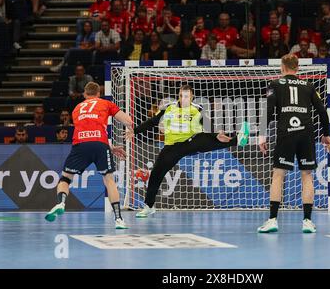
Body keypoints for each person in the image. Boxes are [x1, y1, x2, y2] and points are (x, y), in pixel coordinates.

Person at [125, 84, 250, 218]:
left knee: (205, 136)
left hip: (191, 142)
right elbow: (153, 122)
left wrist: (216, 135)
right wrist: (135, 131)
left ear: (192, 97)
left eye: (186, 96)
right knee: (156, 173)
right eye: (181, 96)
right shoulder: (169, 108)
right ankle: (149, 206)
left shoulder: (196, 109)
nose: (183, 99)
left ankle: (238, 140)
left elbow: (208, 125)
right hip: (172, 147)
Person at [257, 54, 330, 234]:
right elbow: (322, 111)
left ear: (282, 67)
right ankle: (307, 221)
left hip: (286, 132)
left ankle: (273, 220)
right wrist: (326, 134)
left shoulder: (275, 85)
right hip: (306, 132)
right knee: (307, 175)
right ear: (298, 68)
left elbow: (268, 110)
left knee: (278, 175)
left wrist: (262, 135)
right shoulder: (309, 86)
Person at [45, 82, 134, 229]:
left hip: (80, 145)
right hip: (100, 144)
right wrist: (131, 129)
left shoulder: (77, 108)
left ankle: (61, 202)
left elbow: (87, 130)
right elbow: (127, 120)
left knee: (65, 178)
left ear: (85, 95)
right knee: (109, 180)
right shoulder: (106, 103)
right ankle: (118, 219)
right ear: (98, 93)